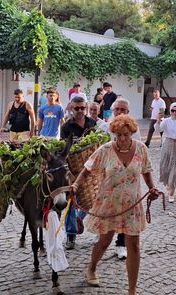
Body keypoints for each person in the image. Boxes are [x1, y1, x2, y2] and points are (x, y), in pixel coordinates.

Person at [71, 115, 160, 295]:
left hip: (132, 205)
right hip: (108, 204)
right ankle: (92, 267)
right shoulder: (106, 150)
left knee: (133, 245)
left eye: (125, 135)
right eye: (118, 135)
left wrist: (152, 189)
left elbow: (146, 171)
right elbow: (87, 169)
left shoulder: (141, 149)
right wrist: (75, 185)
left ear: (132, 133)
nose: (121, 139)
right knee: (104, 241)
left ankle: (132, 290)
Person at [95, 98, 141, 260]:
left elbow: (139, 153)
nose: (120, 113)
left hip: (127, 180)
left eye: (123, 110)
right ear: (112, 111)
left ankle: (121, 244)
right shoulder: (103, 128)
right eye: (117, 110)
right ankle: (102, 237)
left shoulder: (135, 130)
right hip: (106, 177)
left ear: (128, 112)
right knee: (104, 209)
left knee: (125, 213)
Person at [61, 96, 96, 250]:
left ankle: (78, 219)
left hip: (91, 169)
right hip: (74, 169)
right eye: (77, 108)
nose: (80, 111)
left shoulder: (92, 123)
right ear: (71, 108)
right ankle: (70, 235)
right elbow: (64, 150)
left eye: (82, 108)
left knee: (91, 199)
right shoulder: (66, 127)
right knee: (71, 201)